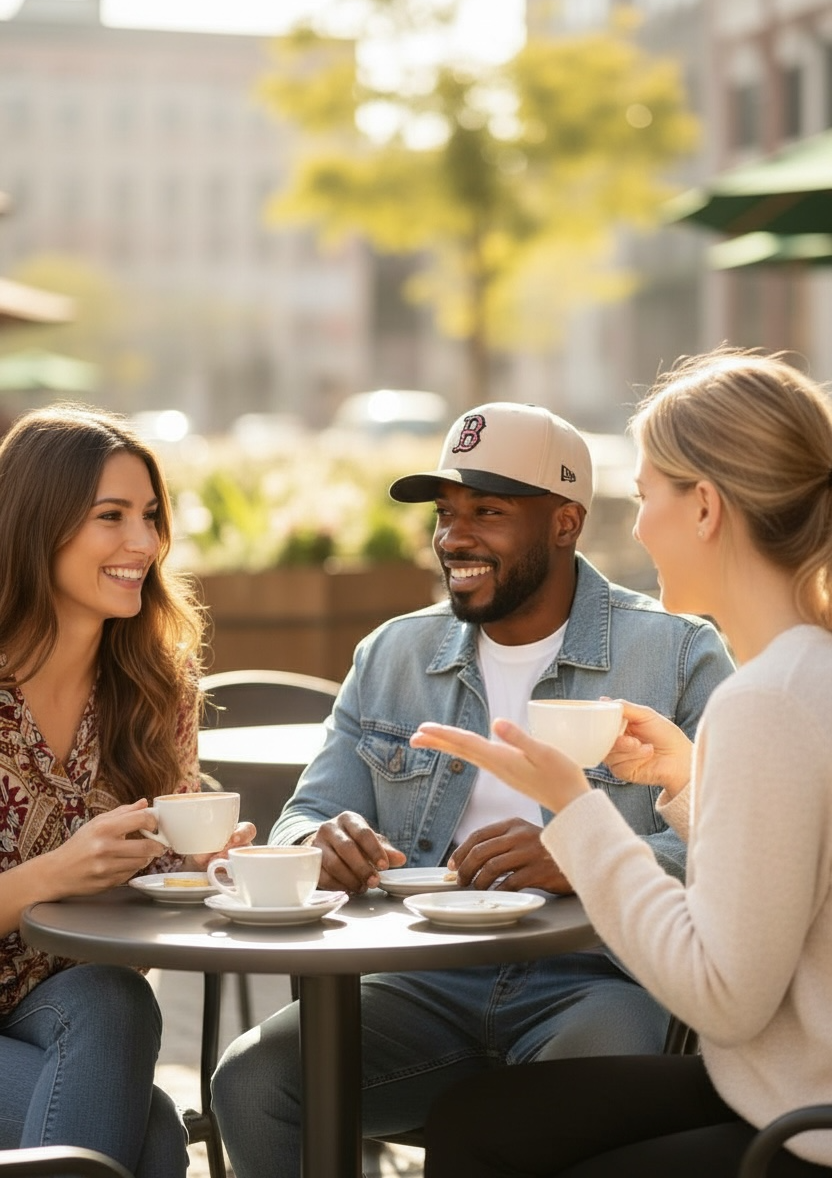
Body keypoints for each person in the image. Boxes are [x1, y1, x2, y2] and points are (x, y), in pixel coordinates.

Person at [211, 399, 734, 1177]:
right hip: (423, 978)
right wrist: (317, 844)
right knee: (254, 1082)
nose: (454, 536)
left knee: (566, 1108)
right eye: (446, 512)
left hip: (597, 976)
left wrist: (587, 857)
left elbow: (730, 846)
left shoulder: (679, 654)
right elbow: (308, 812)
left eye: (487, 510)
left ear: (565, 522)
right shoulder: (391, 653)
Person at [414, 351, 832, 1177]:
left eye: (646, 497)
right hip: (779, 1088)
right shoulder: (801, 672)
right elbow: (787, 885)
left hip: (798, 1127)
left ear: (705, 506)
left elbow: (721, 996)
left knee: (489, 1139)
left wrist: (579, 812)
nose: (635, 528)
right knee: (477, 1122)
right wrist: (687, 785)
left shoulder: (769, 700)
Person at [0, 403, 255, 1176]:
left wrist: (199, 871)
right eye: (110, 516)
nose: (142, 544)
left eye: (149, 516)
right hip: (73, 1038)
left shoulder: (154, 689)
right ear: (35, 524)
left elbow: (150, 894)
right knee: (148, 1137)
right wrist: (51, 877)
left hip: (73, 1014)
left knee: (113, 995)